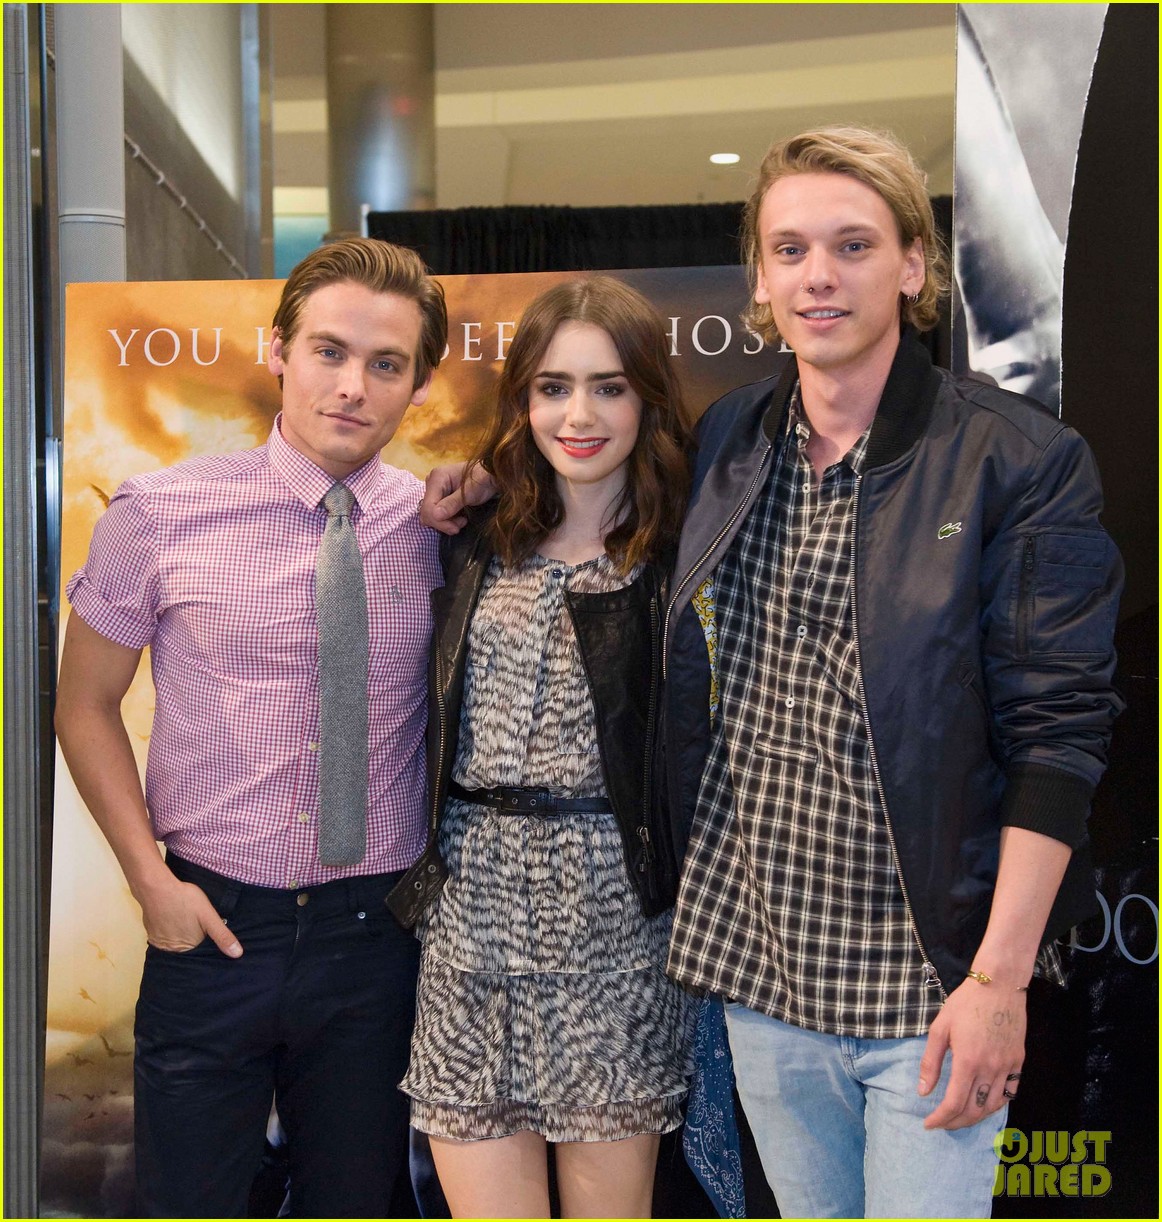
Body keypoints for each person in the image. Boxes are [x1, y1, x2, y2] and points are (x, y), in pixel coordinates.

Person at [421, 128, 1123, 1218]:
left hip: (927, 980)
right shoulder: (732, 439)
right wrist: (469, 478)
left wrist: (995, 982)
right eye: (790, 248)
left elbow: (1057, 741)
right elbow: (592, 477)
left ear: (912, 265)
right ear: (759, 273)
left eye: (851, 245)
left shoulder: (1017, 460)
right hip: (761, 976)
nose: (818, 275)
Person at [55, 237, 448, 1218]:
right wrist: (153, 884)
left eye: (386, 363)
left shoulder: (446, 526)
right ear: (278, 350)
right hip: (211, 922)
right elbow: (82, 705)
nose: (351, 385)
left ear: (419, 384)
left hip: (376, 937)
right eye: (328, 351)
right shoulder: (156, 512)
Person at [396, 276, 697, 1219]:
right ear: (522, 399)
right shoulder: (475, 538)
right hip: (469, 920)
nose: (580, 413)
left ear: (647, 397)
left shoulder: (685, 550)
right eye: (554, 387)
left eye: (609, 386)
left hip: (614, 925)